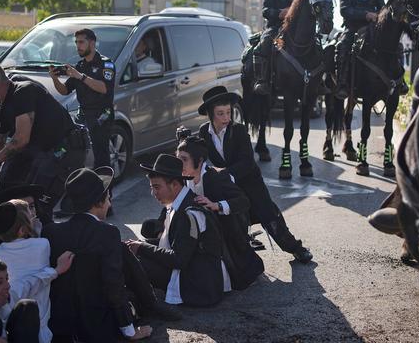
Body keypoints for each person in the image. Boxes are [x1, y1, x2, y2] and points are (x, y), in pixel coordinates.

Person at [196, 86, 313, 264]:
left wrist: (226, 173)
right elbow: (200, 156)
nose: (226, 117)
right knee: (233, 219)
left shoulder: (240, 131)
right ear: (211, 115)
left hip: (250, 182)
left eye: (229, 112)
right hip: (227, 186)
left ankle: (296, 248)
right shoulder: (204, 132)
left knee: (269, 216)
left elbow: (247, 162)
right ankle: (241, 257)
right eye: (220, 113)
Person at [42, 167, 152, 342]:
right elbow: (113, 283)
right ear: (99, 202)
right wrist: (129, 330)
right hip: (97, 327)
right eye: (108, 199)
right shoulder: (108, 233)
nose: (109, 204)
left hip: (60, 326)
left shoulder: (51, 232)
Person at [0, 62, 87, 224]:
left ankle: (46, 244)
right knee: (7, 194)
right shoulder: (4, 107)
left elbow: (20, 139)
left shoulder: (24, 91)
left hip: (64, 150)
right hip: (42, 151)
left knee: (38, 207)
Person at [127, 154, 228, 306]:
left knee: (133, 263)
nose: (153, 193)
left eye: (157, 187)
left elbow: (179, 259)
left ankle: (135, 307)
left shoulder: (189, 213)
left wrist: (142, 247)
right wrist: (141, 245)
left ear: (174, 184)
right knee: (131, 251)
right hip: (192, 272)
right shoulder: (180, 203)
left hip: (199, 286)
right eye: (152, 187)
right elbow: (169, 243)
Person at [176, 135, 264, 289]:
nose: (179, 164)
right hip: (197, 233)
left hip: (225, 233)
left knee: (238, 278)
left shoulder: (217, 176)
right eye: (178, 159)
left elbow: (243, 201)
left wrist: (217, 205)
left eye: (184, 159)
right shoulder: (182, 178)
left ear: (200, 160)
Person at [0, 200, 75, 342]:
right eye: (30, 216)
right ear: (22, 230)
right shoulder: (42, 245)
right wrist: (56, 270)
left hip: (7, 324)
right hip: (40, 325)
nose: (34, 217)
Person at [50, 28, 116, 169]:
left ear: (92, 43)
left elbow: (104, 88)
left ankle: (105, 189)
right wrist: (54, 79)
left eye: (81, 42)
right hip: (83, 113)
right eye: (76, 42)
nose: (77, 46)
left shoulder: (106, 64)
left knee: (101, 156)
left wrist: (80, 76)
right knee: (68, 145)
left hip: (101, 115)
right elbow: (65, 90)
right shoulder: (79, 66)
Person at [335, 0, 385, 98]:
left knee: (394, 45)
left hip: (373, 29)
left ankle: (397, 81)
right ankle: (342, 83)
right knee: (342, 46)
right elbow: (345, 11)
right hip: (352, 29)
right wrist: (365, 14)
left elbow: (384, 10)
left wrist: (378, 15)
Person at [252, 0, 301, 95]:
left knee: (315, 43)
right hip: (275, 29)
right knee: (262, 45)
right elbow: (265, 11)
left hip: (294, 29)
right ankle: (262, 80)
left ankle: (316, 81)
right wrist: (280, 13)